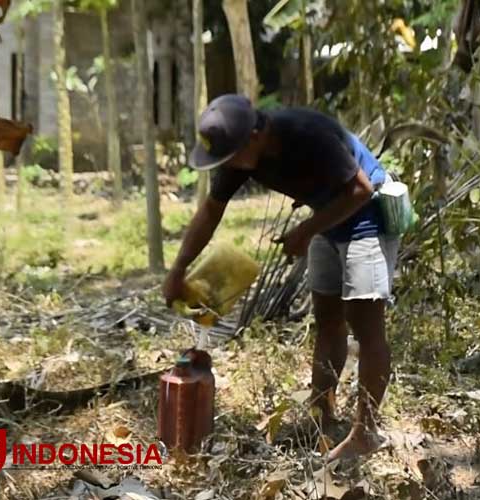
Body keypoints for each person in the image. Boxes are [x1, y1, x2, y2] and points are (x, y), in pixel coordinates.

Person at [162, 94, 400, 461]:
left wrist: (305, 232)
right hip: (327, 217)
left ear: (256, 134)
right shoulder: (240, 154)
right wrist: (177, 271)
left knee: (365, 327)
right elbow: (210, 212)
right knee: (328, 321)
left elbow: (360, 189)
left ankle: (365, 432)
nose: (231, 165)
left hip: (365, 215)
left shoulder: (307, 132)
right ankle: (321, 416)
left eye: (233, 155)